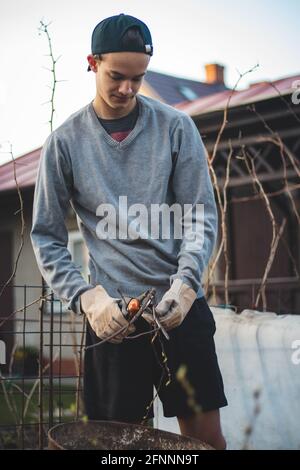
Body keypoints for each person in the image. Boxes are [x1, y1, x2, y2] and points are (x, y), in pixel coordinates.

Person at [31, 13, 227, 449]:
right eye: (117, 76)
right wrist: (85, 297)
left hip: (179, 311)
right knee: (115, 447)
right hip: (113, 321)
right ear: (92, 63)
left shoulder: (177, 128)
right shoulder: (64, 144)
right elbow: (46, 236)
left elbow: (200, 216)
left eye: (138, 78)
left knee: (206, 443)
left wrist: (188, 284)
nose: (128, 89)